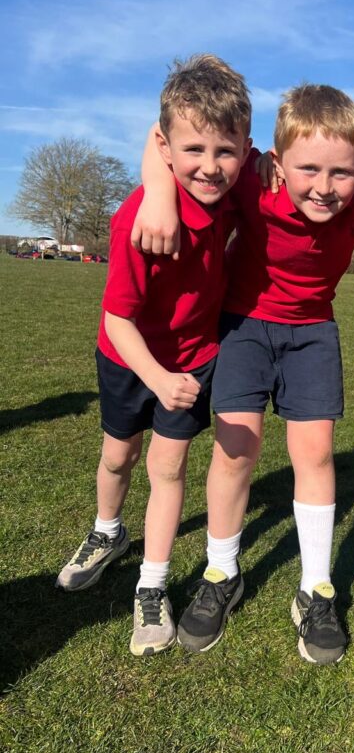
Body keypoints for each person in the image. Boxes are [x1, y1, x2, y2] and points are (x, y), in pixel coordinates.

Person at [133, 85, 354, 664]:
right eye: (308, 170)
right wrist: (155, 192)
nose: (324, 187)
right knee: (234, 453)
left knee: (316, 455)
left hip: (314, 334)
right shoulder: (248, 176)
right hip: (243, 326)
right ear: (276, 163)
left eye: (340, 173)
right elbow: (162, 141)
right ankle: (222, 572)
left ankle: (316, 588)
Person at [56, 55, 252, 658]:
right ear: (167, 148)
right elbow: (117, 319)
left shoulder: (231, 183)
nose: (211, 167)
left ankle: (152, 585)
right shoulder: (137, 221)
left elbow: (182, 136)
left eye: (226, 151)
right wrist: (157, 378)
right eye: (194, 151)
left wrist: (177, 377)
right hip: (129, 357)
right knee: (118, 458)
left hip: (194, 358)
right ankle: (107, 532)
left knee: (167, 471)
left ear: (245, 148)